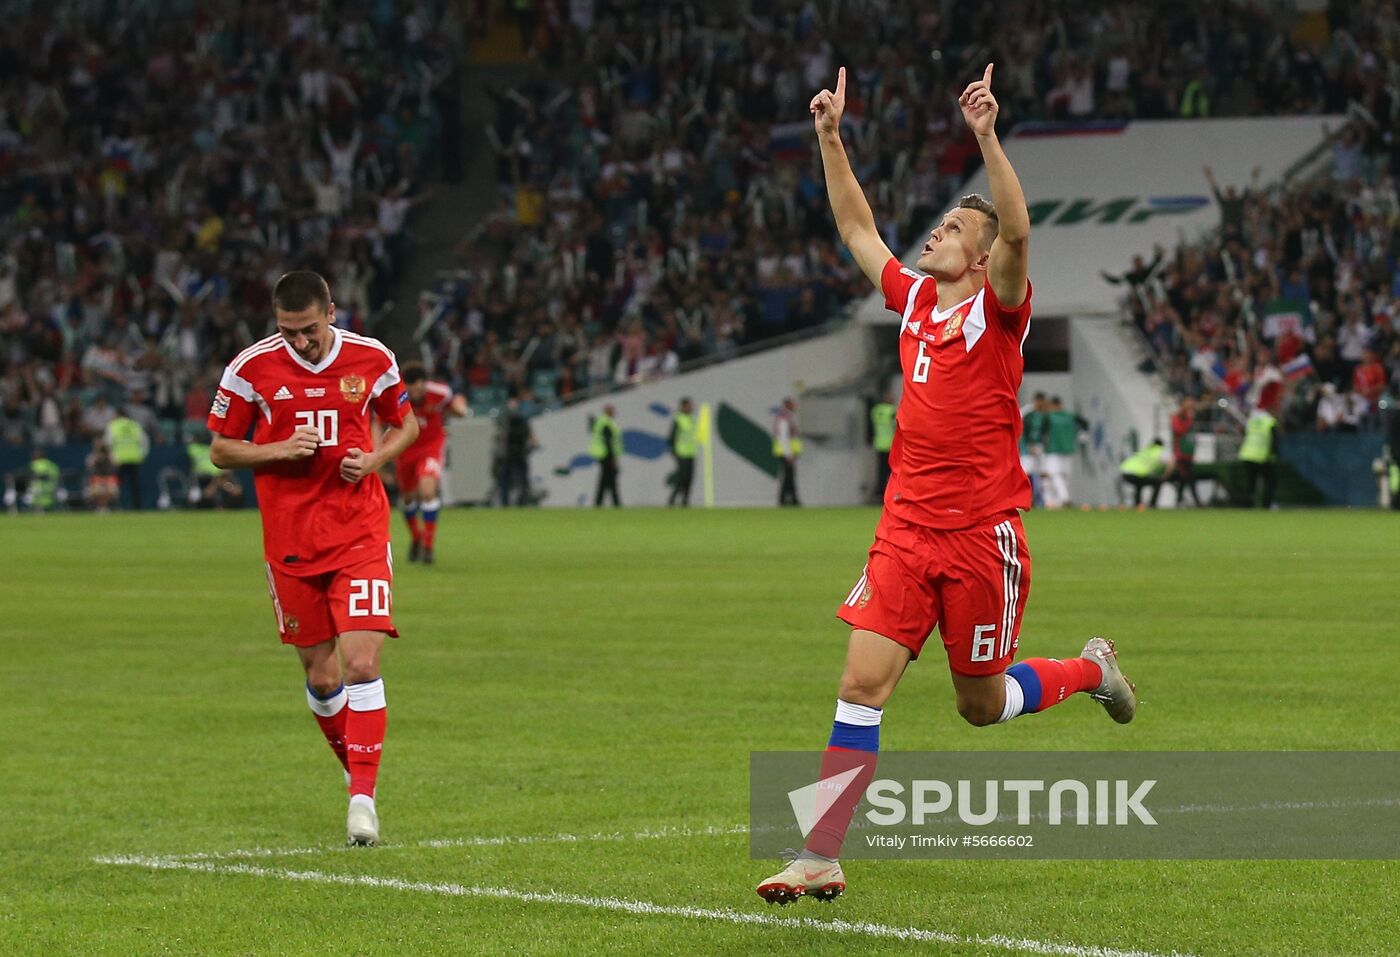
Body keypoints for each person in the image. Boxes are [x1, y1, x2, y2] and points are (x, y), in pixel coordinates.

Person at [756, 64, 1136, 906]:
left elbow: (1022, 234)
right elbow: (856, 226)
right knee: (861, 684)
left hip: (982, 535)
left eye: (951, 229)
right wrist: (829, 136)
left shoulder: (999, 307)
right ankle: (820, 852)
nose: (933, 235)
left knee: (979, 702)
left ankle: (1090, 669)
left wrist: (988, 137)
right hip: (905, 530)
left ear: (981, 254)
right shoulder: (916, 303)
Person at [207, 270, 420, 846]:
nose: (297, 342)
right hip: (292, 542)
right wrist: (279, 449)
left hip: (358, 532)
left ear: (330, 311)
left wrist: (375, 459)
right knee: (322, 676)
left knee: (360, 663)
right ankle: (357, 771)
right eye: (286, 331)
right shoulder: (250, 369)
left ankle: (362, 801)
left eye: (307, 329)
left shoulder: (372, 358)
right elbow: (221, 450)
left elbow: (407, 424)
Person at [396, 362, 467, 564]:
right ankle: (416, 537)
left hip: (431, 448)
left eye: (419, 387)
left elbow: (455, 400)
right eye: (411, 388)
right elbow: (379, 419)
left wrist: (460, 409)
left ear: (424, 384)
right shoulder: (395, 394)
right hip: (405, 450)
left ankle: (428, 545)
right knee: (408, 498)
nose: (415, 392)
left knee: (427, 491)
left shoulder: (439, 392)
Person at [104, 404, 150, 510]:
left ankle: (117, 506)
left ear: (118, 414)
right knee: (134, 485)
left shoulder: (113, 425)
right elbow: (145, 442)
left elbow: (107, 443)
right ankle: (137, 507)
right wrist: (142, 455)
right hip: (134, 458)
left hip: (119, 459)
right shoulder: (135, 425)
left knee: (117, 485)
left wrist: (112, 456)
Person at [1040, 396, 1082, 509]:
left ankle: (1064, 498)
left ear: (1054, 405)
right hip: (1068, 449)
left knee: (1054, 474)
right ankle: (1058, 502)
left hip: (1053, 449)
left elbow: (1041, 432)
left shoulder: (1049, 417)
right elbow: (1084, 423)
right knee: (1064, 475)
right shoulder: (1071, 416)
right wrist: (1082, 436)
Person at [1238, 399, 1279, 509]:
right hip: (1262, 456)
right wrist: (1273, 456)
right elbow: (1275, 442)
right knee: (1270, 482)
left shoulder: (1252, 421)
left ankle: (1247, 506)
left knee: (1250, 483)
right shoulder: (1270, 421)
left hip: (1247, 454)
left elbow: (1244, 434)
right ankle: (1267, 506)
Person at [188, 430, 244, 509]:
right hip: (203, 478)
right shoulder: (194, 448)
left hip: (221, 476)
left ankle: (222, 504)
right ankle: (218, 505)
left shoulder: (219, 448)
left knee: (234, 487)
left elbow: (228, 468)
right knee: (215, 484)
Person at [497, 397, 535, 507]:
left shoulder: (516, 420)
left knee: (518, 477)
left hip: (517, 452)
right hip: (511, 452)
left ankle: (520, 500)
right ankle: (508, 501)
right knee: (509, 477)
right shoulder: (506, 420)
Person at [1168, 397, 1203, 507]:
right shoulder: (1178, 417)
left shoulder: (1192, 417)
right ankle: (1197, 503)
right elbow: (1179, 430)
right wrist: (1189, 420)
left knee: (1184, 478)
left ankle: (1179, 501)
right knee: (1188, 477)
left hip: (1188, 453)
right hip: (1180, 453)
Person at [1118, 437, 1170, 508]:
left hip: (1125, 473)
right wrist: (1164, 475)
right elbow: (1170, 464)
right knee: (1158, 482)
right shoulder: (1160, 451)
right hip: (1137, 473)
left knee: (1139, 484)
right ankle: (1152, 505)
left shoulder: (1145, 449)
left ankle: (1137, 504)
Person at [1018, 392, 1047, 506]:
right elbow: (1020, 430)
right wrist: (1027, 446)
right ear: (1037, 401)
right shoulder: (1027, 413)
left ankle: (1037, 500)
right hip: (1026, 447)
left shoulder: (1041, 413)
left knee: (1040, 473)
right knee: (1026, 472)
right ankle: (1022, 500)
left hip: (1038, 447)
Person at [590, 404, 622, 507]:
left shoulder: (602, 422)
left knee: (605, 480)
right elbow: (608, 441)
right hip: (606, 454)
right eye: (612, 410)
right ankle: (616, 503)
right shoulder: (606, 423)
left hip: (603, 454)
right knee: (611, 480)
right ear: (607, 411)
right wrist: (612, 456)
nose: (614, 412)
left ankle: (599, 503)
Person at [668, 397, 698, 506]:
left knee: (689, 479)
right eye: (689, 405)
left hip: (691, 452)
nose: (691, 407)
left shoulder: (691, 419)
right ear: (683, 406)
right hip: (681, 453)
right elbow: (671, 438)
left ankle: (685, 501)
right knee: (682, 479)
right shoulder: (678, 419)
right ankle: (672, 501)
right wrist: (674, 452)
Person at [772, 396, 802, 506]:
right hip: (785, 452)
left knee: (789, 477)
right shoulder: (784, 418)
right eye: (792, 404)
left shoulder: (786, 417)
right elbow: (784, 437)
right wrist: (789, 455)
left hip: (786, 452)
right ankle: (787, 500)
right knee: (788, 477)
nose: (795, 405)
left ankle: (790, 499)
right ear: (787, 405)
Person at [869, 392, 896, 501]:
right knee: (892, 472)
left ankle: (880, 493)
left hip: (879, 444)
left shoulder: (875, 410)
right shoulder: (891, 410)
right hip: (890, 445)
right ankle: (891, 494)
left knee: (880, 471)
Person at [85, 441, 118, 513]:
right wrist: (96, 456)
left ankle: (105, 507)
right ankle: (100, 507)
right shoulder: (92, 457)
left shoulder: (110, 456)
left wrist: (109, 455)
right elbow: (89, 466)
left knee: (111, 489)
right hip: (97, 479)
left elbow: (116, 464)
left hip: (108, 479)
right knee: (98, 490)